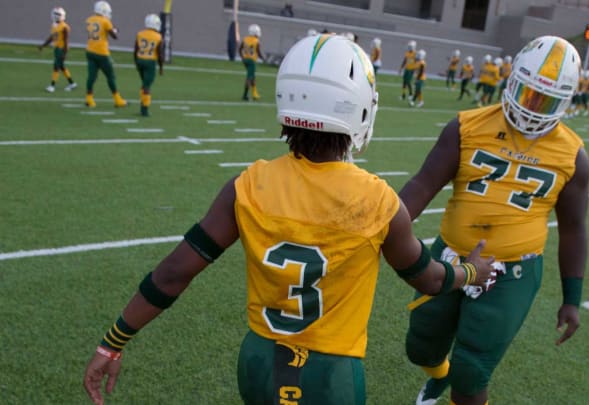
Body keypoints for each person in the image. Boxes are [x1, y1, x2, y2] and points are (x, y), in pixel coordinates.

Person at [82, 34, 498, 405]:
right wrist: (469, 272)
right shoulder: (377, 200)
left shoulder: (247, 185)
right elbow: (427, 278)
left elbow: (173, 273)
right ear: (359, 110)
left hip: (259, 362)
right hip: (329, 375)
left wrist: (112, 344)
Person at [401, 35, 589, 405]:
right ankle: (438, 377)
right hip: (451, 255)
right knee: (421, 346)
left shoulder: (572, 155)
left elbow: (573, 229)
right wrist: (383, 226)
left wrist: (573, 299)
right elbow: (424, 184)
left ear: (564, 102)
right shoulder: (466, 126)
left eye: (545, 100)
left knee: (472, 371)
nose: (532, 107)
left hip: (513, 272)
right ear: (512, 81)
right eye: (527, 93)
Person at [84, 1, 127, 108]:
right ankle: (117, 100)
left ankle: (89, 98)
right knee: (111, 76)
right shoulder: (105, 21)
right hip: (102, 52)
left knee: (91, 76)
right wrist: (115, 31)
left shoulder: (89, 20)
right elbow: (114, 36)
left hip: (90, 51)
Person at [38, 7, 77, 93]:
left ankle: (52, 86)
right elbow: (52, 37)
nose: (54, 16)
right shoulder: (54, 25)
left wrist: (65, 53)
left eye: (56, 14)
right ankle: (72, 83)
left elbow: (66, 41)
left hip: (61, 49)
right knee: (62, 67)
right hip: (56, 48)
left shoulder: (64, 27)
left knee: (56, 66)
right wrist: (43, 45)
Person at [134, 14, 164, 117]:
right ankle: (144, 109)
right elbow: (160, 54)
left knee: (144, 84)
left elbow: (136, 49)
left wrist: (136, 62)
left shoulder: (140, 34)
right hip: (150, 62)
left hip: (140, 60)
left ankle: (143, 105)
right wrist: (161, 67)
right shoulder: (158, 37)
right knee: (146, 86)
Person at [239, 24, 264, 101]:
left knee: (252, 77)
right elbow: (258, 52)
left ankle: (255, 94)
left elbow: (240, 49)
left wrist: (242, 57)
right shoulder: (256, 41)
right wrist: (264, 59)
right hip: (251, 61)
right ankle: (245, 95)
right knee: (249, 77)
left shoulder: (245, 39)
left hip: (245, 60)